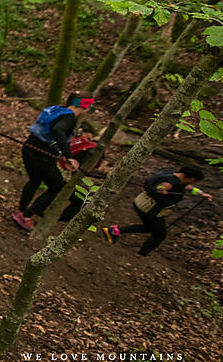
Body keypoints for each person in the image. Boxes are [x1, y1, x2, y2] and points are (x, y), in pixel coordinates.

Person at [11, 94, 93, 230]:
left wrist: (61, 155)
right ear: (84, 106)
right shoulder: (70, 117)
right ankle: (26, 215)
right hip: (42, 155)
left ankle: (21, 211)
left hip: (30, 147)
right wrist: (69, 156)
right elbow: (58, 130)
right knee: (57, 186)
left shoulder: (55, 109)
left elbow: (52, 132)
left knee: (35, 180)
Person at [102, 166, 213, 255]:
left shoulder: (172, 175)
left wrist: (201, 193)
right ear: (192, 179)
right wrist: (161, 190)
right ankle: (141, 254)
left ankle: (115, 230)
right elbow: (162, 186)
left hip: (142, 202)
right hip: (150, 208)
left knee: (149, 228)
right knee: (159, 235)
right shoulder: (171, 182)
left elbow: (187, 187)